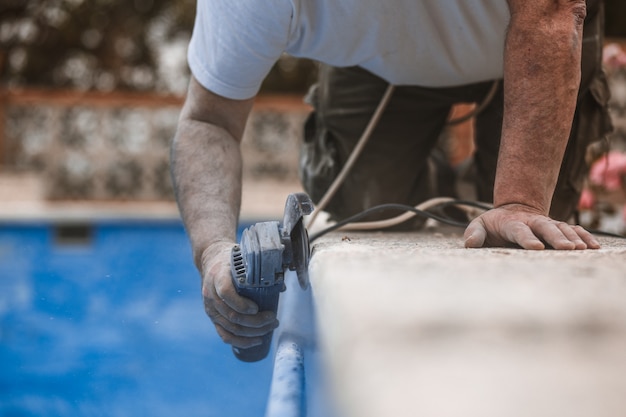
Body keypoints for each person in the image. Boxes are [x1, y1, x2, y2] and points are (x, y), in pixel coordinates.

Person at [170, 0, 612, 349]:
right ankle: (452, 193)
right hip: (380, 64)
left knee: (532, 240)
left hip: (539, 31)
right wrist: (212, 250)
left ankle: (485, 193)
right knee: (364, 208)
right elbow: (209, 121)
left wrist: (521, 200)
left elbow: (552, 11)